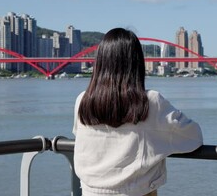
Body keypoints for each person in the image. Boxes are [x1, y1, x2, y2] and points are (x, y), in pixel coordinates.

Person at [73, 28, 203, 196]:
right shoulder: (151, 102)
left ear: (100, 62)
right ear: (136, 63)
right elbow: (194, 138)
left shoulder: (82, 101)